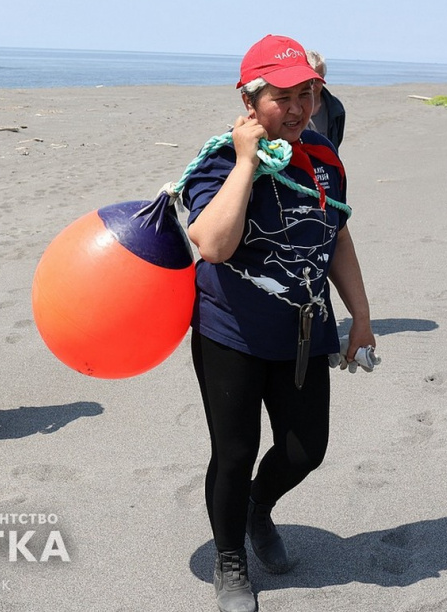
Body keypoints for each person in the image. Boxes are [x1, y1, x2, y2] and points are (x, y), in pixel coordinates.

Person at [183, 35, 374, 612]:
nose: (297, 109)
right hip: (231, 334)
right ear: (249, 99)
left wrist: (360, 317)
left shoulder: (322, 156)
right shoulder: (220, 160)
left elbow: (337, 235)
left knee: (305, 449)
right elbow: (213, 245)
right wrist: (247, 161)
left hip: (304, 331)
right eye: (282, 97)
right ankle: (230, 558)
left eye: (307, 95)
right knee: (235, 452)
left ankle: (256, 508)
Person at [306, 49, 346, 151]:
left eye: (318, 79)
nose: (312, 85)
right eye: (309, 79)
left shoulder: (335, 108)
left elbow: (336, 140)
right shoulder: (289, 107)